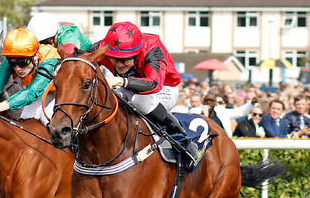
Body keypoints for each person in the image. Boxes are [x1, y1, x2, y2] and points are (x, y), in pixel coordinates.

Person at [99, 21, 199, 163]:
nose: (119, 64)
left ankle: (182, 138)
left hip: (165, 88)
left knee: (140, 100)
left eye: (126, 60)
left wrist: (120, 81)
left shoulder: (153, 49)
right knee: (110, 97)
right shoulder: (104, 46)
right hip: (130, 88)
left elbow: (153, 83)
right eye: (114, 59)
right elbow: (80, 58)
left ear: (136, 53)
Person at [0, 28, 59, 124]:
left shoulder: (49, 60)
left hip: (62, 93)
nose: (17, 68)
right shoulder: (14, 56)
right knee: (26, 117)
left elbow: (32, 92)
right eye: (13, 62)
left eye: (22, 63)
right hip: (44, 92)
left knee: (47, 119)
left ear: (35, 57)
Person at [26, 12, 93, 54]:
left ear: (55, 36)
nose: (43, 46)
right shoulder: (50, 30)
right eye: (40, 43)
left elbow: (69, 54)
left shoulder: (66, 36)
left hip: (86, 55)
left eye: (46, 42)